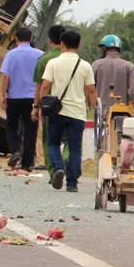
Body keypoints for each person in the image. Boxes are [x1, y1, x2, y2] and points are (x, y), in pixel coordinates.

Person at [39, 28, 97, 192]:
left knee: (53, 143)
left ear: (62, 44)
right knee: (75, 148)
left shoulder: (53, 63)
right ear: (78, 46)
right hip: (77, 113)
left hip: (56, 112)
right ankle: (72, 183)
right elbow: (91, 91)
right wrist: (97, 110)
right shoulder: (85, 65)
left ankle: (58, 168)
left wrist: (41, 107)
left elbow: (45, 85)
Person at [0, 27, 43, 170]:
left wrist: (3, 95)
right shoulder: (39, 55)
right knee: (31, 130)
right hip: (32, 99)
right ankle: (27, 164)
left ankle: (15, 152)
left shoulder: (10, 54)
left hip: (14, 97)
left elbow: (5, 76)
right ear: (31, 39)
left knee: (11, 126)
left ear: (16, 39)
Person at [31, 25, 69, 184]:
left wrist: (36, 107)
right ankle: (67, 158)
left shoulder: (44, 60)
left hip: (50, 107)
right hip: (70, 106)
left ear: (49, 40)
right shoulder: (75, 61)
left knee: (49, 141)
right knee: (68, 139)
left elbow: (40, 86)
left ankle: (54, 171)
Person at [92, 34, 134, 107]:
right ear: (119, 48)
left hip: (101, 111)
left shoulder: (96, 65)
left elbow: (89, 88)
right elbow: (133, 91)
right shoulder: (128, 66)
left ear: (104, 48)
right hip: (123, 111)